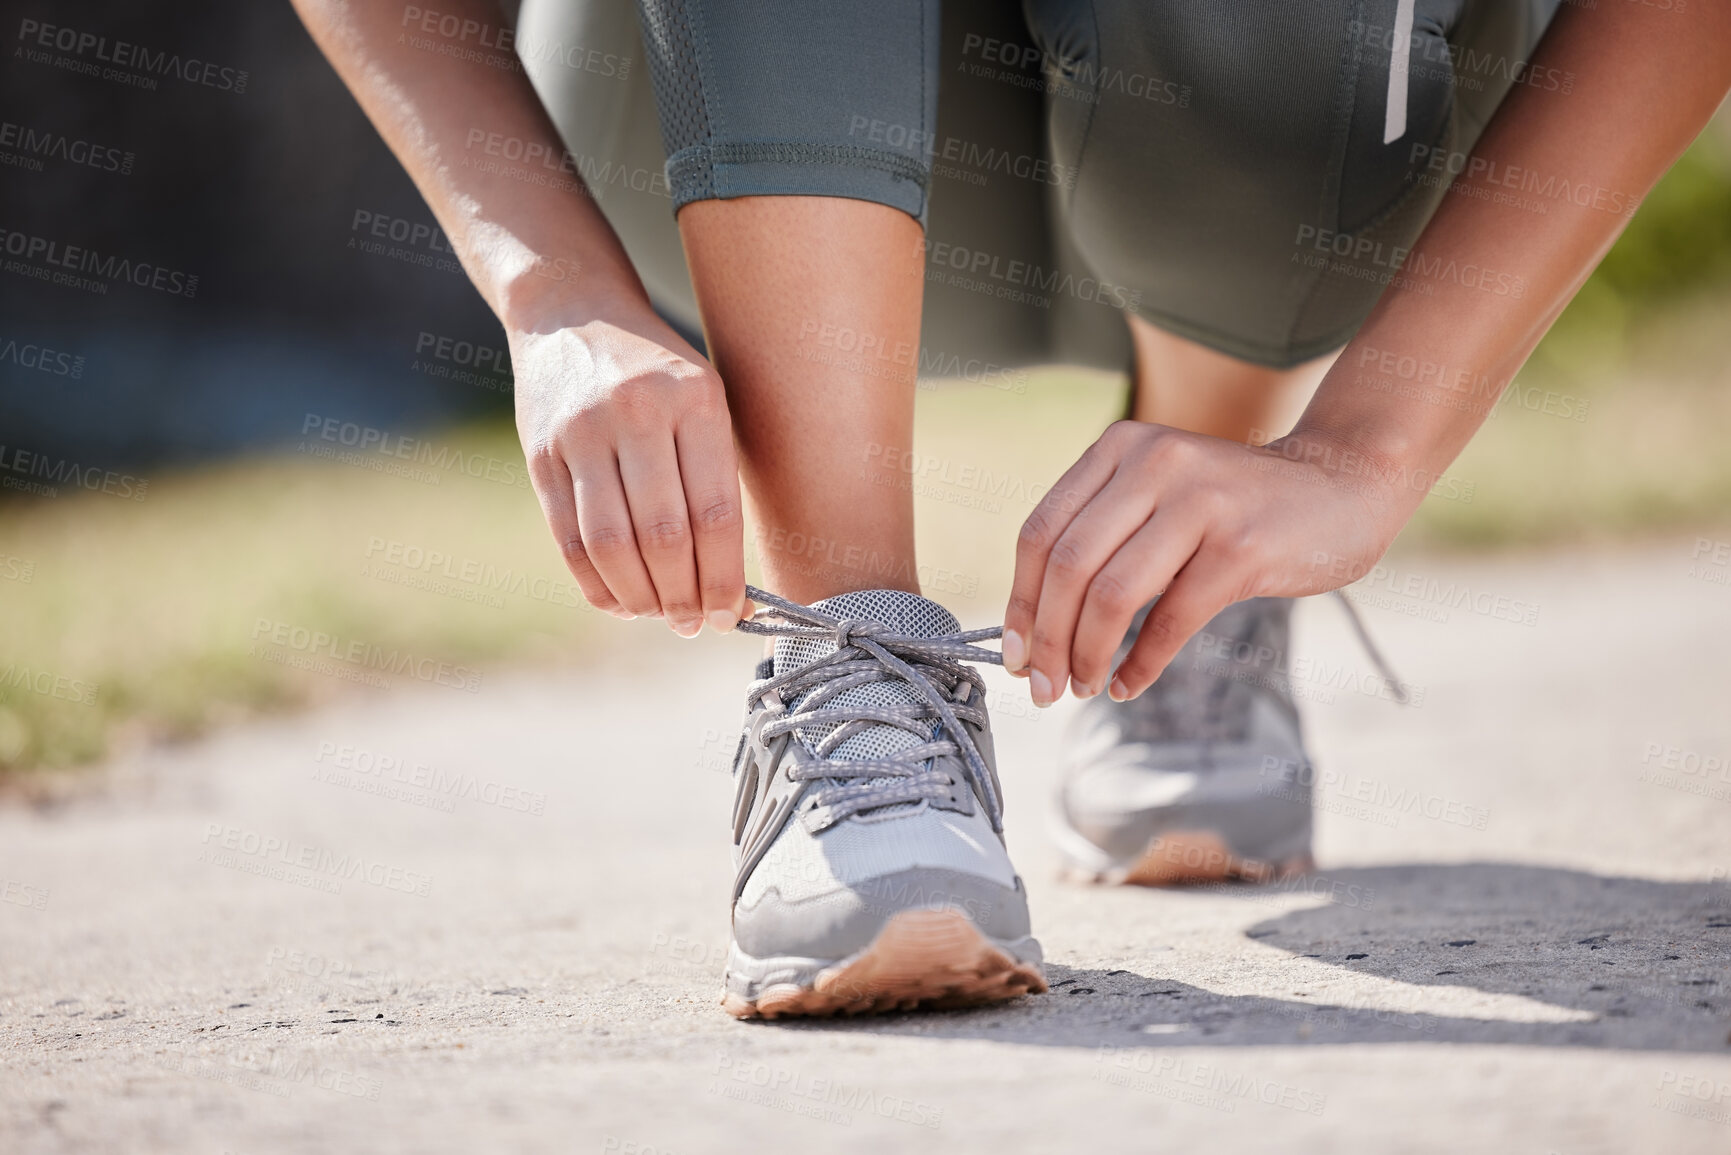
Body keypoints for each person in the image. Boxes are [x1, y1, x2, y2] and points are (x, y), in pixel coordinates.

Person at [291, 0, 1731, 1017]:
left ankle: (1182, 568)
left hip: (1319, 123)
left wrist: (1362, 448)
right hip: (685, 88)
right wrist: (554, 294)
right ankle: (858, 683)